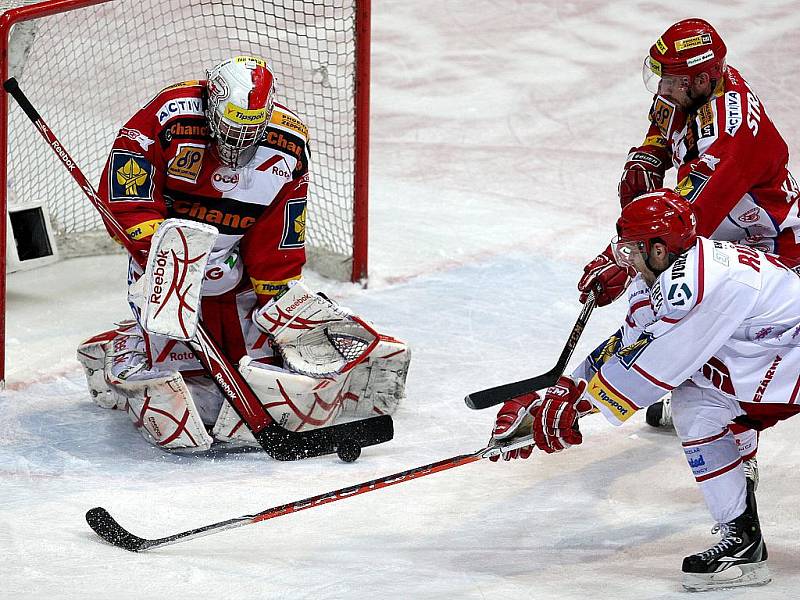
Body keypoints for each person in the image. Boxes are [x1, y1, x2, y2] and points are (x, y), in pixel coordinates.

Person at [76, 56, 410, 452]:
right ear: (212, 103)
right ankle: (127, 352)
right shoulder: (168, 117)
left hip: (235, 262)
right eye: (231, 128)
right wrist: (162, 253)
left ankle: (345, 375)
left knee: (261, 373)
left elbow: (280, 227)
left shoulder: (287, 145)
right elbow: (126, 190)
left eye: (250, 130)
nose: (237, 142)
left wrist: (276, 297)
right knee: (188, 386)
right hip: (170, 256)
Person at [491, 189, 800, 590]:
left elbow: (654, 368)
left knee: (692, 391)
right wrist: (556, 395)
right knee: (698, 406)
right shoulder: (667, 271)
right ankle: (742, 544)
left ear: (657, 249)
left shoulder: (700, 284)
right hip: (777, 354)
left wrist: (574, 409)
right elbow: (629, 343)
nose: (625, 261)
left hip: (785, 353)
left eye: (631, 251)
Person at [578, 18, 799, 474]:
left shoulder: (731, 133)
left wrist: (618, 255)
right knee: (661, 296)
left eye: (672, 79)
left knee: (713, 329)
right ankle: (659, 373)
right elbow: (661, 131)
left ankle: (737, 443)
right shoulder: (692, 88)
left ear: (701, 79)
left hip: (775, 250)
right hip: (724, 232)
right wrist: (650, 155)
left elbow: (681, 218)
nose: (662, 87)